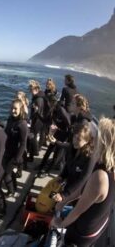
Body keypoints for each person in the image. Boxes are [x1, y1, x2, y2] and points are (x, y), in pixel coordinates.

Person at [51, 117, 115, 247]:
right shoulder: (109, 165)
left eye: (97, 136)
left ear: (102, 143)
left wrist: (60, 223)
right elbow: (84, 190)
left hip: (84, 232)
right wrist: (64, 201)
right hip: (101, 222)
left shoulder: (100, 177)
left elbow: (78, 210)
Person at [49, 122, 95, 203]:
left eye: (78, 139)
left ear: (87, 141)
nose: (74, 141)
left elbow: (83, 179)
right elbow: (68, 165)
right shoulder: (72, 148)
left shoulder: (89, 158)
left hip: (79, 193)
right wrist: (62, 176)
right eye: (74, 137)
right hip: (69, 185)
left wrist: (64, 195)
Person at [3, 99, 28, 196]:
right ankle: (15, 187)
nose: (13, 110)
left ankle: (11, 192)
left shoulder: (22, 124)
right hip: (7, 151)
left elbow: (23, 144)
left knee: (6, 175)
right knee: (10, 173)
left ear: (21, 109)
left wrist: (16, 159)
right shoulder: (10, 119)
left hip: (15, 154)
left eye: (15, 109)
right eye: (11, 108)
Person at [28, 80, 46, 162]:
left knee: (33, 137)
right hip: (40, 120)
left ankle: (33, 154)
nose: (30, 90)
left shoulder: (38, 99)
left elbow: (37, 112)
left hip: (37, 121)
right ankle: (35, 152)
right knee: (35, 136)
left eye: (31, 89)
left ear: (36, 88)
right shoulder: (40, 96)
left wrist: (31, 119)